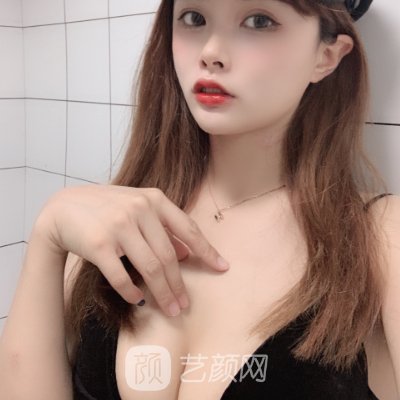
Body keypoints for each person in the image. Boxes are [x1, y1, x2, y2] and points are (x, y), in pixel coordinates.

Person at [0, 0, 399, 399]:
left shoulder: (380, 239)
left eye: (259, 21)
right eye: (193, 18)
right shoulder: (109, 224)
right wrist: (48, 235)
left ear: (326, 57)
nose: (210, 52)